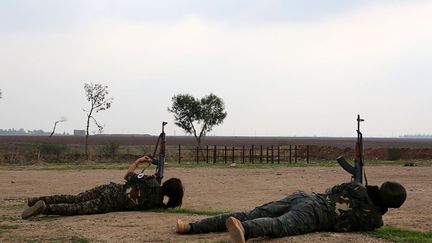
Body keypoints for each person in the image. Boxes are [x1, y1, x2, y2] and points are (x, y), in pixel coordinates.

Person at [176, 181, 406, 243]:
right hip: (316, 215)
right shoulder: (374, 220)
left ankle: (191, 227)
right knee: (279, 226)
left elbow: (331, 190)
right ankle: (244, 230)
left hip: (306, 197)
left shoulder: (356, 188)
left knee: (250, 212)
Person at [21, 155, 184, 219]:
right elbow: (157, 198)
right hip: (111, 203)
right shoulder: (157, 205)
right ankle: (45, 208)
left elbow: (127, 177)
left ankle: (37, 200)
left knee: (75, 198)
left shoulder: (150, 180)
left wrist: (137, 162)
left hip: (111, 189)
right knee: (77, 208)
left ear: (166, 182)